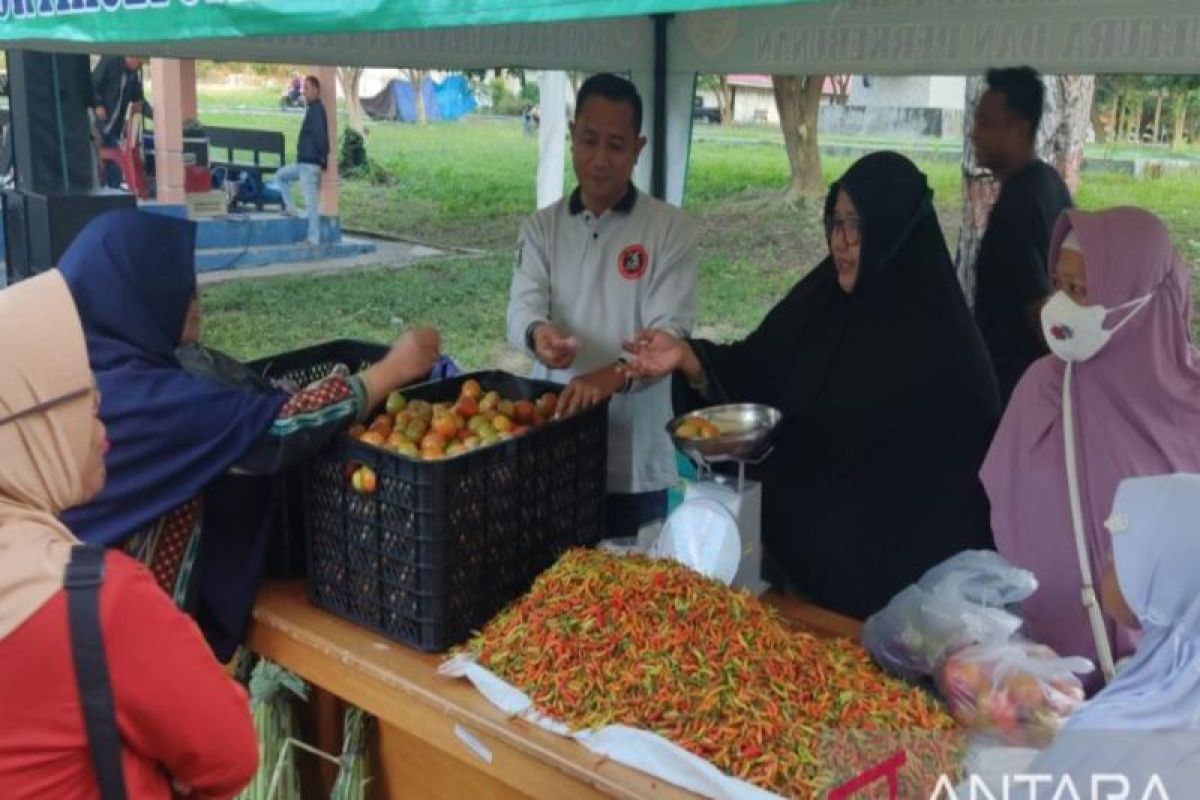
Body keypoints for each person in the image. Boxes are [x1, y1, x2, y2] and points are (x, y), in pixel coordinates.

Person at [624, 152, 1000, 618]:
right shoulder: (821, 301)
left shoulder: (947, 349)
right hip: (798, 575)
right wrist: (690, 358)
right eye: (835, 224)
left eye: (856, 227)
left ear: (895, 229)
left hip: (902, 597)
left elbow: (950, 490)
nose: (840, 243)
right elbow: (756, 368)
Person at [57, 209, 440, 658]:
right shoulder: (144, 399)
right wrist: (393, 369)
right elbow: (276, 430)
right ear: (139, 296)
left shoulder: (74, 369)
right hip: (119, 648)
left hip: (69, 622)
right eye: (184, 288)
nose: (197, 301)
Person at [0, 270, 258, 799]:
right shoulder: (97, 604)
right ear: (34, 429)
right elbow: (230, 757)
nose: (104, 433)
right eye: (89, 410)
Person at [981, 207, 1200, 689]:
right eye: (1058, 286)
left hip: (1163, 696)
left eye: (1080, 291)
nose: (1060, 308)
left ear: (1137, 298)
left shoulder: (1190, 408)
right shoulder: (1041, 389)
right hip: (1040, 684)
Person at [506, 73, 698, 540]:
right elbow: (521, 307)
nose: (599, 159)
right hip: (558, 445)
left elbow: (669, 334)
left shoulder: (670, 231)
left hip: (635, 457)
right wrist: (540, 336)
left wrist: (606, 378)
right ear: (571, 136)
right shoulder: (542, 229)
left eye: (616, 145)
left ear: (639, 148)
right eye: (589, 140)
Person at [985, 474, 1200, 796]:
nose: (1107, 564)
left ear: (1163, 574)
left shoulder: (1118, 739)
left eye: (1121, 555)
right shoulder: (1168, 697)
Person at [970, 66, 1073, 406]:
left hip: (1018, 393)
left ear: (1018, 128)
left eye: (986, 124)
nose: (974, 134)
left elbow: (1041, 311)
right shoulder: (1050, 184)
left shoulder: (1016, 209)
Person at [271, 75, 329, 246]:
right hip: (302, 162)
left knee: (310, 202)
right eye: (304, 88)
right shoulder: (311, 108)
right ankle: (291, 209)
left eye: (308, 88)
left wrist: (322, 156)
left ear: (317, 90)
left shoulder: (318, 109)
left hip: (310, 163)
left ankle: (313, 238)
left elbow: (321, 136)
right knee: (281, 176)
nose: (305, 91)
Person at [91, 55, 147, 189]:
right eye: (137, 59)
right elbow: (93, 83)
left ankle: (113, 189)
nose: (138, 63)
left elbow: (138, 99)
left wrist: (156, 113)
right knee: (97, 155)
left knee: (115, 161)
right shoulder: (110, 61)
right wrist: (98, 104)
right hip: (97, 121)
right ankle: (99, 186)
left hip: (114, 126)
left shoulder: (133, 76)